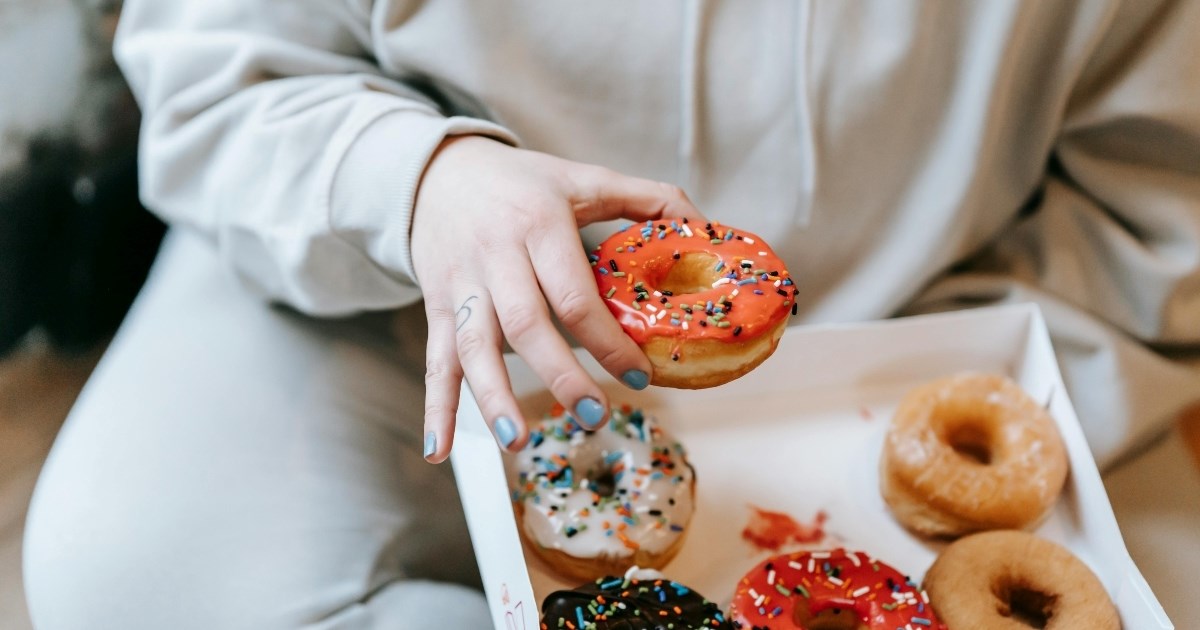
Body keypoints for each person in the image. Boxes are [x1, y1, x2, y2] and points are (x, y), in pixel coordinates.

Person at [23, 1, 1200, 628]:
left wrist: (909, 362)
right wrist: (419, 177)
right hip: (375, 279)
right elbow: (221, 65)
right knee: (134, 573)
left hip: (922, 320)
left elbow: (1160, 201)